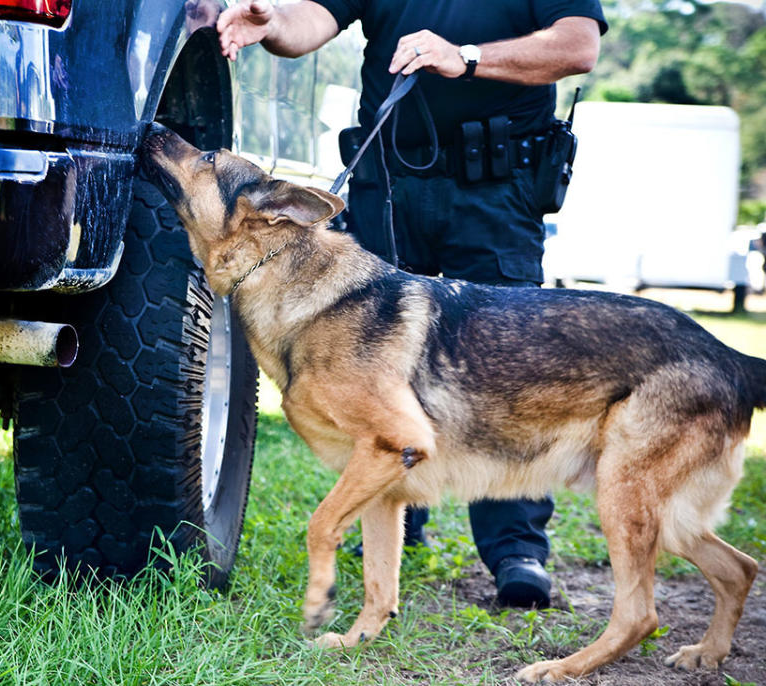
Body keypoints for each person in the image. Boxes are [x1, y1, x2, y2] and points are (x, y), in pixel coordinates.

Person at [217, 0, 607, 608]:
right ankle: (392, 525)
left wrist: (467, 59)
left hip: (498, 186)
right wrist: (272, 26)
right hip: (389, 182)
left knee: (503, 373)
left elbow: (577, 45)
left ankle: (516, 549)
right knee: (375, 371)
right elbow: (309, 23)